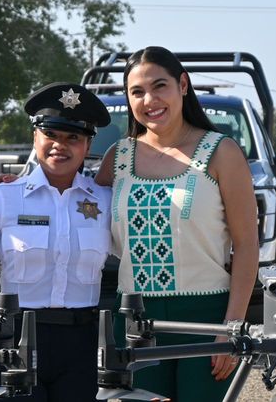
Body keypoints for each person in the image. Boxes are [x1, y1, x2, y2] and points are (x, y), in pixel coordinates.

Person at [94, 46, 259, 401]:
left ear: (183, 85)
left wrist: (231, 327)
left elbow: (247, 245)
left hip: (205, 319)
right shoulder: (117, 158)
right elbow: (74, 205)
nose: (149, 100)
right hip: (134, 321)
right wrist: (13, 187)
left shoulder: (222, 152)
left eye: (160, 86)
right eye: (137, 91)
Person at [0, 82, 112, 401]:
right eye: (51, 134)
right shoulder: (3, 198)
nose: (60, 145)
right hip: (16, 342)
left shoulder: (104, 201)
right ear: (35, 136)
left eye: (73, 138)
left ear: (88, 144)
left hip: (82, 346)